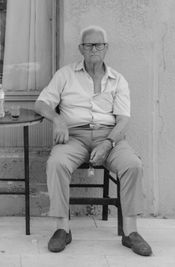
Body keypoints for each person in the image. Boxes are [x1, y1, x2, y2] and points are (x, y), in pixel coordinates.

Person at [34, 25, 152, 257]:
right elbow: (40, 104)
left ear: (106, 48)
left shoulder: (118, 80)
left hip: (109, 137)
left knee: (133, 165)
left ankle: (130, 232)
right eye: (89, 45)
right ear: (81, 49)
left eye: (99, 45)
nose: (94, 49)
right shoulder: (65, 75)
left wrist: (108, 143)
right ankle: (62, 229)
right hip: (74, 137)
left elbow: (123, 120)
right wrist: (57, 120)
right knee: (56, 163)